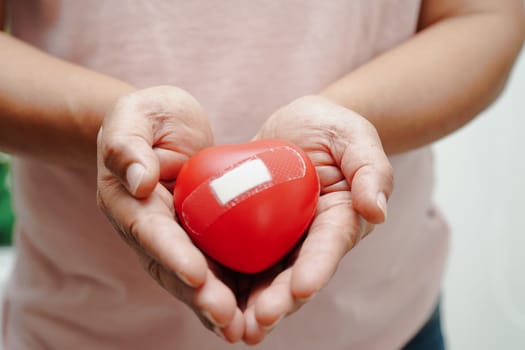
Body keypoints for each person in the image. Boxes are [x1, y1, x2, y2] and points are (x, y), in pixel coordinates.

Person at [1, 0, 524, 349]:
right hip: (81, 331)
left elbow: (485, 16)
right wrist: (113, 130)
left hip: (384, 325)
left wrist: (349, 120)